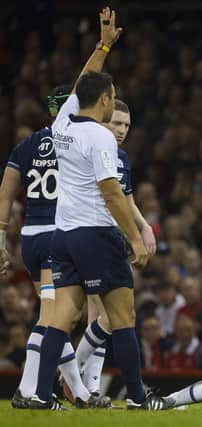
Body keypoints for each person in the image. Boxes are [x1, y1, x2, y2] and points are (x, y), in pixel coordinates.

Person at [28, 7, 164, 410]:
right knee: (124, 318)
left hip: (63, 235)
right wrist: (136, 237)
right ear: (105, 101)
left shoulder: (63, 125)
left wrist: (104, 45)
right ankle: (139, 398)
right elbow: (112, 194)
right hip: (97, 235)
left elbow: (82, 82)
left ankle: (34, 393)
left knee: (60, 317)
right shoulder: (101, 139)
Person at [0, 18, 125, 411]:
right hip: (61, 234)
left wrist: (1, 237)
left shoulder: (32, 142)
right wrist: (103, 48)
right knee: (57, 319)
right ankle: (33, 390)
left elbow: (5, 195)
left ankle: (72, 392)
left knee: (53, 316)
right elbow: (84, 84)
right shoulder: (76, 135)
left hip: (30, 239)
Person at [71, 98, 157, 397]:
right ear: (102, 121)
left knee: (102, 315)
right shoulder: (89, 150)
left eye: (126, 125)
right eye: (116, 123)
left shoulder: (120, 157)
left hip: (111, 237)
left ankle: (85, 383)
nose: (121, 130)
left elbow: (127, 199)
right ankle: (72, 379)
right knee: (103, 314)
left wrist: (144, 226)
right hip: (91, 235)